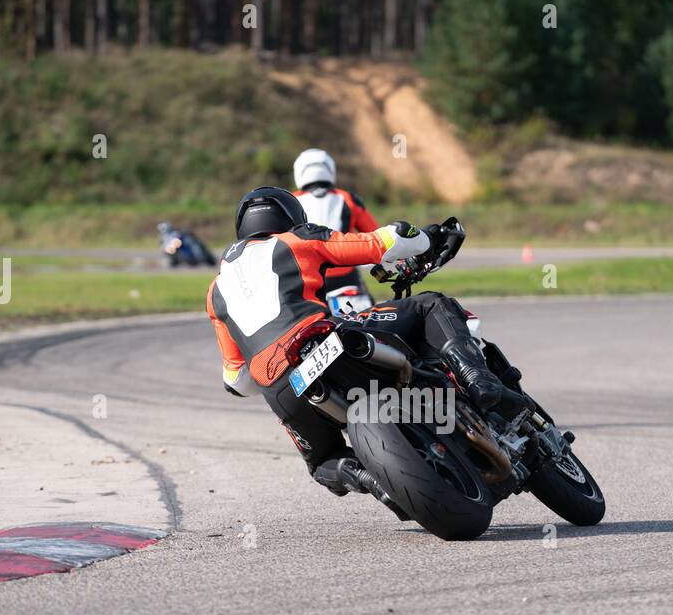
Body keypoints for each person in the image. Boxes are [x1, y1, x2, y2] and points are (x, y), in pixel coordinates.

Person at [205, 186, 507, 511]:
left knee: (323, 462)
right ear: (291, 217)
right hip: (324, 337)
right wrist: (428, 237)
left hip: (280, 387)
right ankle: (477, 379)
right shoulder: (297, 240)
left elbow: (236, 380)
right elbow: (384, 242)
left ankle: (372, 480)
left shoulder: (215, 290)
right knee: (430, 305)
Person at [291, 148, 379, 295]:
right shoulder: (348, 198)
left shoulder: (291, 201)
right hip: (346, 277)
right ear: (330, 169)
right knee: (368, 316)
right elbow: (374, 233)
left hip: (308, 278)